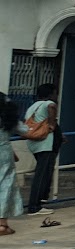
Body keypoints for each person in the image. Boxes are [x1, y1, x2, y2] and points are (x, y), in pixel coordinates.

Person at [22, 83, 59, 216]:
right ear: (50, 94)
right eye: (55, 93)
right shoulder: (49, 103)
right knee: (41, 175)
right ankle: (34, 206)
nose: (56, 96)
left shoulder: (33, 106)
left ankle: (38, 201)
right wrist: (52, 125)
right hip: (45, 144)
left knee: (42, 173)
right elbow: (51, 107)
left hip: (34, 143)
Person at [1, 100, 24, 235]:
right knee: (5, 186)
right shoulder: (8, 119)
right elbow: (25, 131)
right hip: (4, 153)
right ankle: (2, 224)